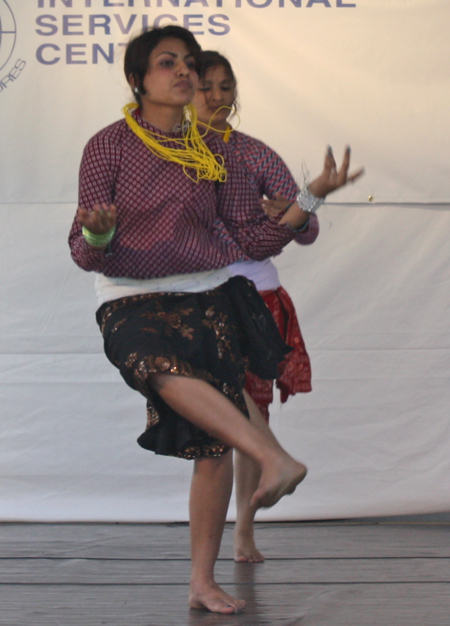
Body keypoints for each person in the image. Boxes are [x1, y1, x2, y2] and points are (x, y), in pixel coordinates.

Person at [69, 26, 360, 614]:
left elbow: (252, 237)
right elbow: (84, 246)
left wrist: (311, 199)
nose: (185, 72)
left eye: (189, 63)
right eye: (167, 63)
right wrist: (100, 231)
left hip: (209, 293)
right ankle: (273, 456)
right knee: (157, 364)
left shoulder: (218, 150)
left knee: (211, 450)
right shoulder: (109, 146)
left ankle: (202, 581)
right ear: (136, 80)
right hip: (130, 296)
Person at [193, 50, 364, 563]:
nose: (218, 97)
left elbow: (305, 229)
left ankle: (245, 527)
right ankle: (275, 466)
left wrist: (297, 207)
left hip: (255, 292)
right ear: (183, 90)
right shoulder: (166, 155)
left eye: (226, 87)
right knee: (218, 407)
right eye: (207, 87)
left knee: (251, 413)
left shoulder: (254, 153)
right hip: (197, 293)